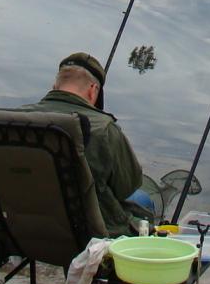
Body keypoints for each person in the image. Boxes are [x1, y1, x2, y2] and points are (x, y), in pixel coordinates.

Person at [18, 51, 150, 238]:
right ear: (93, 90)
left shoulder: (15, 120)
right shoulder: (103, 128)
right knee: (142, 199)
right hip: (88, 234)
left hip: (22, 228)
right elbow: (126, 187)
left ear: (55, 86)